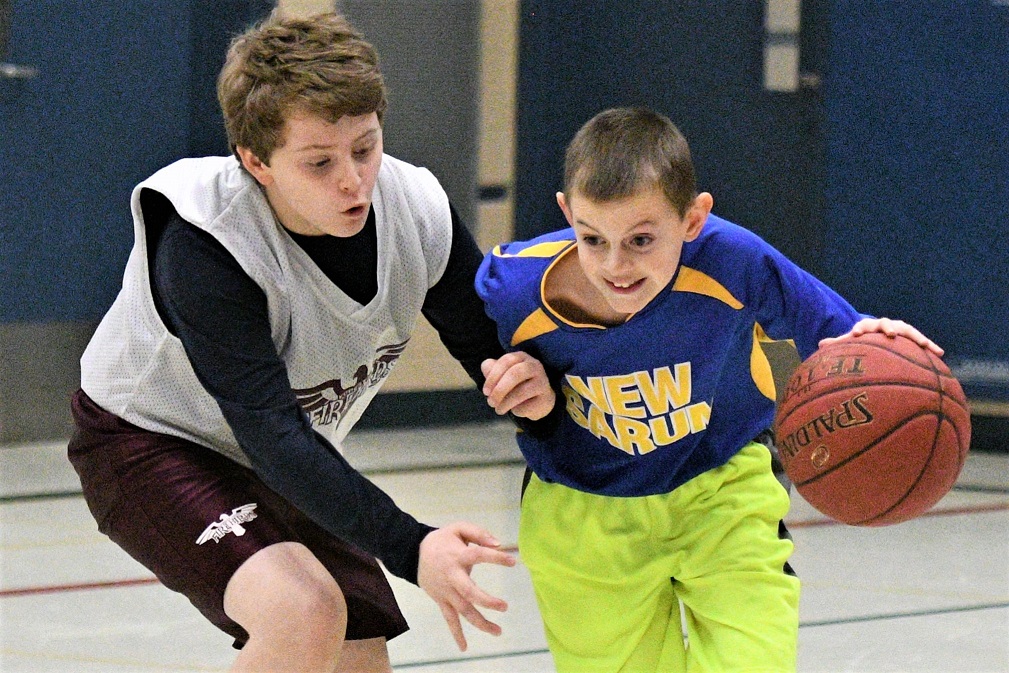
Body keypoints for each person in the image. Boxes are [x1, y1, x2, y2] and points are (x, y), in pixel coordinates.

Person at [67, 12, 554, 673]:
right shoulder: (206, 243)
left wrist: (522, 380)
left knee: (359, 653)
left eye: (365, 147)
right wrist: (412, 546)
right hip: (148, 442)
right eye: (319, 162)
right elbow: (271, 432)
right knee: (303, 610)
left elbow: (486, 344)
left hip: (285, 451)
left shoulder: (415, 206)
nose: (353, 180)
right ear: (255, 161)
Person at [476, 107, 943, 672]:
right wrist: (529, 399)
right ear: (566, 212)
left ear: (693, 220)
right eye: (593, 238)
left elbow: (839, 335)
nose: (616, 265)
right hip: (584, 513)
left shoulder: (733, 259)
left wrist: (879, 339)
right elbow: (509, 386)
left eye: (642, 239)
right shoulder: (510, 290)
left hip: (720, 491)